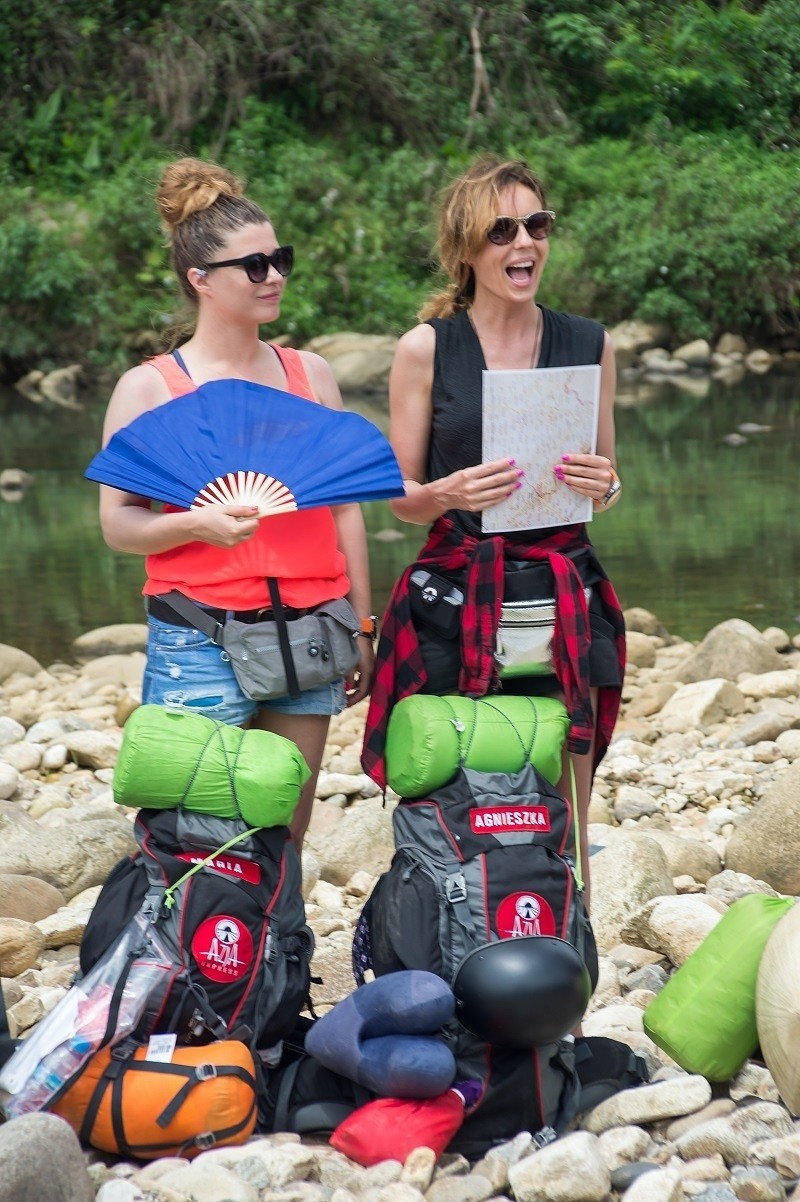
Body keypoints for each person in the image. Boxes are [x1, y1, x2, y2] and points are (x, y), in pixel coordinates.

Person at [362, 156, 625, 903]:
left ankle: (570, 933)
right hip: (456, 589)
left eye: (536, 225)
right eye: (502, 229)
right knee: (458, 771)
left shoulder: (589, 342)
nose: (525, 243)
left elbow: (606, 477)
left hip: (561, 586)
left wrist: (604, 483)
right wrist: (443, 492)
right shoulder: (427, 347)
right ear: (466, 250)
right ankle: (459, 916)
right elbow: (399, 498)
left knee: (570, 774)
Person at [99, 157, 375, 850]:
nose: (274, 275)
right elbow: (118, 525)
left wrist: (363, 626)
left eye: (278, 259)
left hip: (312, 632)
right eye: (253, 266)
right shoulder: (151, 389)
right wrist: (197, 523)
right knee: (200, 838)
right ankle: (195, 958)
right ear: (200, 279)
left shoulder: (309, 375)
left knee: (285, 826)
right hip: (199, 638)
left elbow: (346, 513)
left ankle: (282, 958)